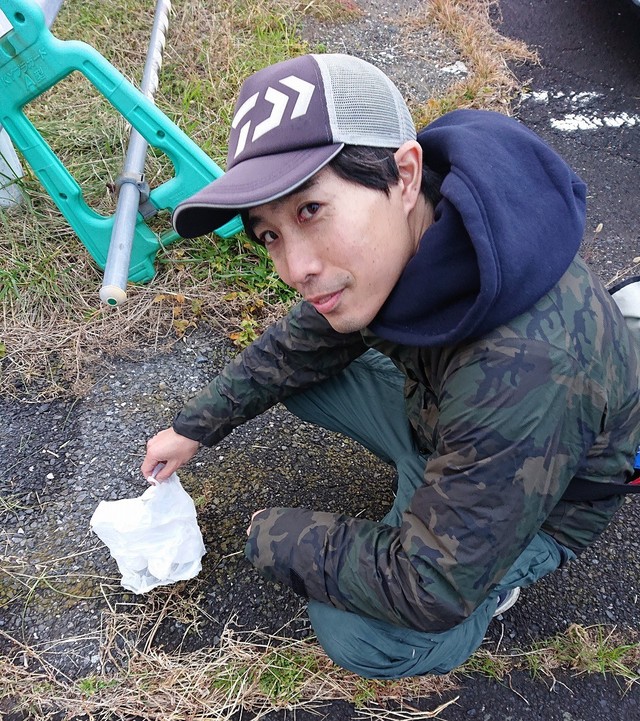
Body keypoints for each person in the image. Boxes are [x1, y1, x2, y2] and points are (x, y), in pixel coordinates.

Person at [141, 53, 640, 679]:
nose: (295, 269)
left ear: (404, 174)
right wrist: (193, 427)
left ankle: (496, 583)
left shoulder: (528, 364)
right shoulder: (418, 224)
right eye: (269, 234)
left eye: (310, 211)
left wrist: (271, 535)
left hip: (545, 498)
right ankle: (436, 483)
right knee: (301, 369)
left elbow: (428, 586)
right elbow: (298, 344)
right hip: (449, 417)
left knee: (364, 635)